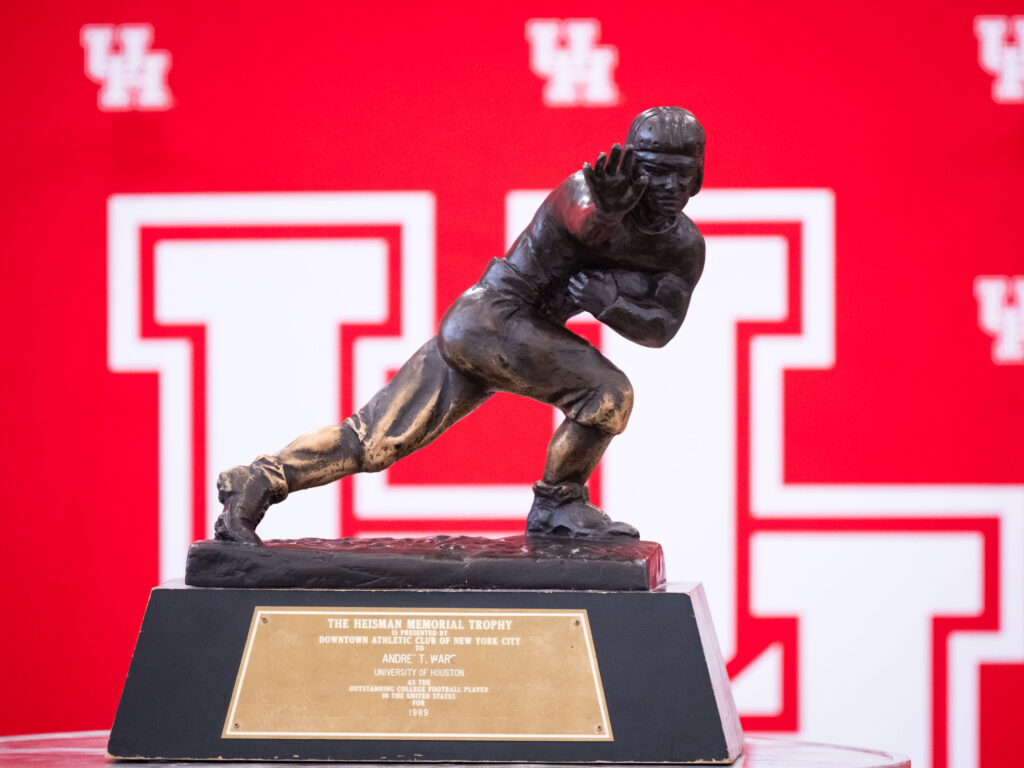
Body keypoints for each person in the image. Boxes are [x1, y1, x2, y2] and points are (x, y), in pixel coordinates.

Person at [216, 106, 706, 544]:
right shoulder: (587, 191)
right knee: (608, 393)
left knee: (372, 442)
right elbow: (585, 226)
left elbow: (661, 328)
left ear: (698, 178)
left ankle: (258, 481)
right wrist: (606, 212)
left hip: (498, 332)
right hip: (494, 316)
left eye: (680, 176)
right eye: (654, 172)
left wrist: (612, 300)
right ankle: (559, 501)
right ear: (630, 169)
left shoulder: (683, 246)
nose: (668, 188)